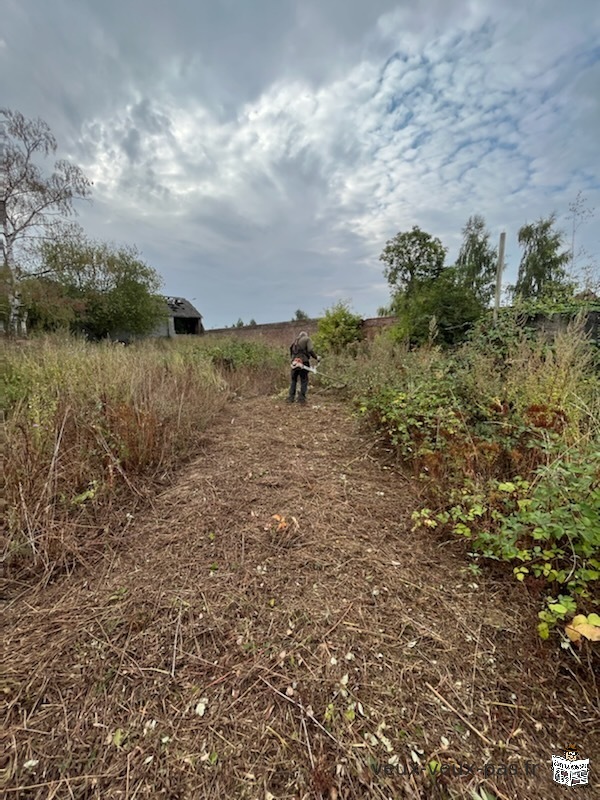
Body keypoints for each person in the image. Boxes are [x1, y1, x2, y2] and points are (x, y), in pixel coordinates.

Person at [287, 330, 320, 404]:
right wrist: (316, 357)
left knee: (294, 380)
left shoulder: (295, 341)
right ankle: (301, 399)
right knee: (304, 380)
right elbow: (310, 350)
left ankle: (290, 398)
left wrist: (293, 359)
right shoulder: (307, 339)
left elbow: (290, 350)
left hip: (294, 363)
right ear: (305, 335)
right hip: (303, 362)